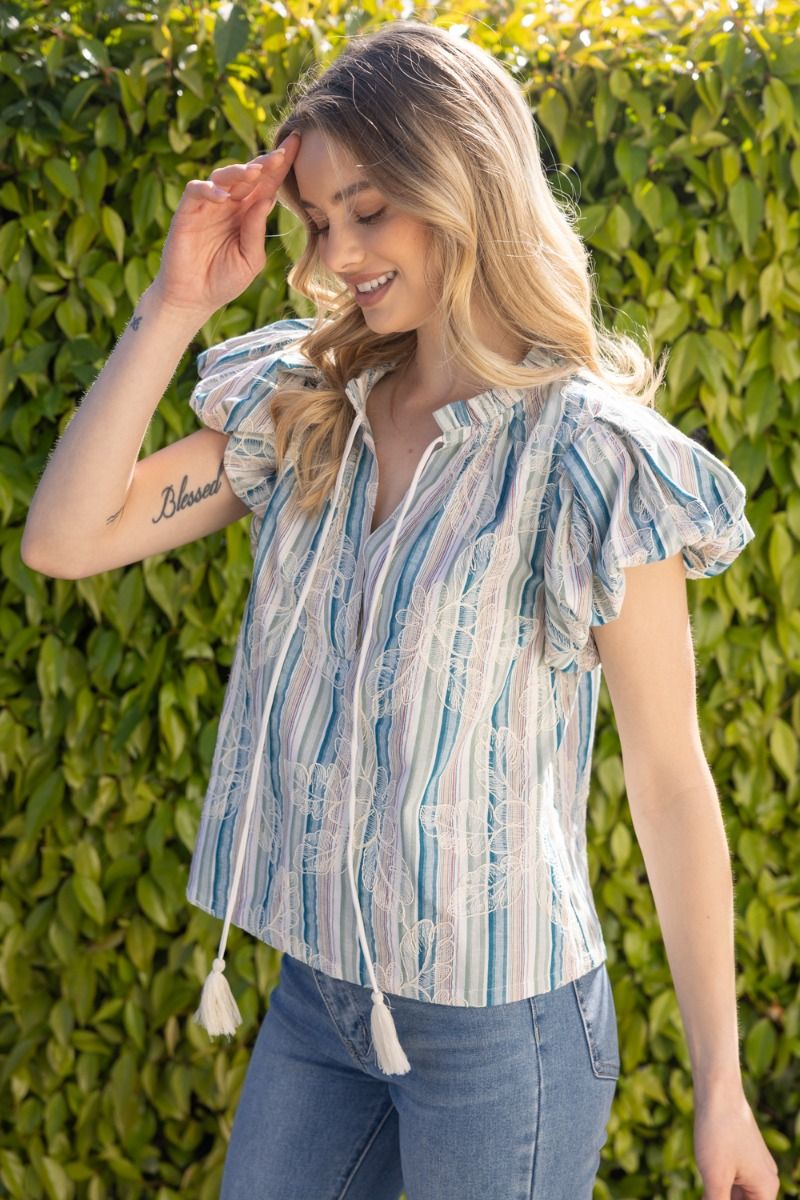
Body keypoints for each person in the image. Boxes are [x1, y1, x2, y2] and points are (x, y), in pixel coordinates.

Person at [22, 18, 780, 1200]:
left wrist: (718, 1086)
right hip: (319, 1002)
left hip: (502, 1035)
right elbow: (67, 540)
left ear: (461, 183)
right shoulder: (310, 406)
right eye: (318, 219)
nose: (337, 253)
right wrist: (172, 304)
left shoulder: (587, 459)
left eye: (367, 210)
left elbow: (669, 779)